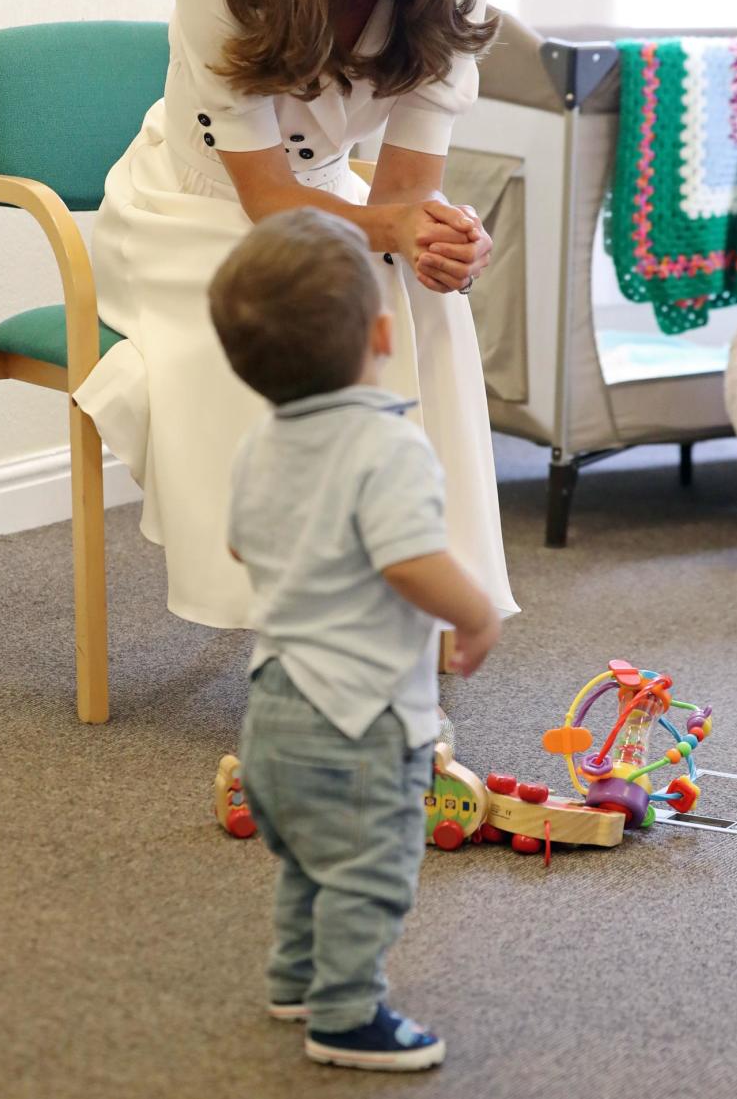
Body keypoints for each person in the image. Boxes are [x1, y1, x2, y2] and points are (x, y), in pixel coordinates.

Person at [73, 0, 517, 630]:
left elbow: (403, 199)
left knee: (424, 301)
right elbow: (267, 196)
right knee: (290, 320)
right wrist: (391, 226)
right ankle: (301, 615)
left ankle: (428, 586)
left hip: (326, 193)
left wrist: (444, 245)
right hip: (193, 203)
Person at [208, 207, 501, 1071]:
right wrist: (476, 611)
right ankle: (344, 1014)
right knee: (369, 867)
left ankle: (295, 975)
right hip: (359, 715)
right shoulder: (388, 445)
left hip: (271, 703)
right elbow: (413, 560)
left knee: (307, 854)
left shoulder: (259, 441)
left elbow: (237, 542)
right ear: (382, 332)